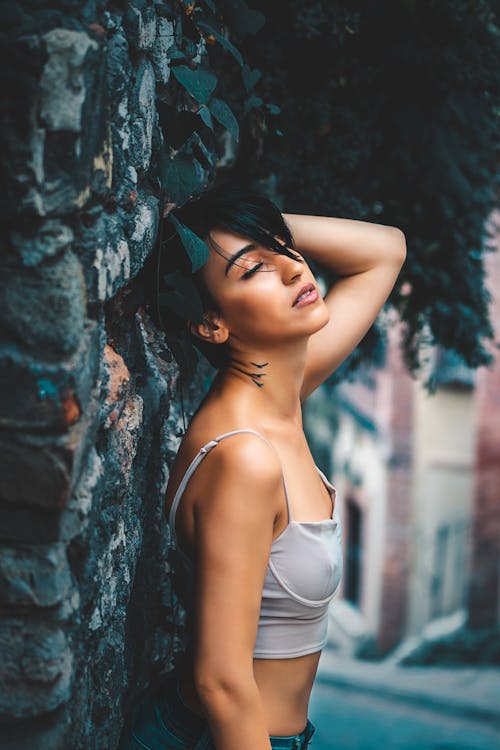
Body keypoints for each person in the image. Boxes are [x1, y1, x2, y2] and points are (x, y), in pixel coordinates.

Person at [118, 184, 406, 750]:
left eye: (285, 250)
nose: (295, 269)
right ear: (211, 324)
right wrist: (220, 237)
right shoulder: (244, 457)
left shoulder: (282, 396)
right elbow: (221, 683)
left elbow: (385, 250)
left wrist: (237, 229)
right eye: (254, 271)